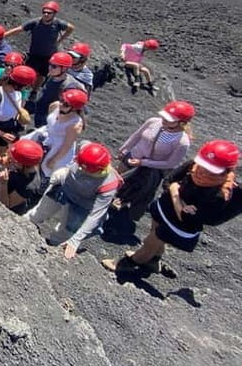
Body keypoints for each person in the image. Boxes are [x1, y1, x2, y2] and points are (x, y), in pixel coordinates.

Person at [102, 140, 240, 275]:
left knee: (151, 242)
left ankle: (127, 264)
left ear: (225, 172)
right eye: (203, 165)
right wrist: (178, 199)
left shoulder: (221, 195)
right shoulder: (193, 166)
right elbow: (169, 180)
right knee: (154, 234)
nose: (202, 171)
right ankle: (153, 261)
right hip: (165, 210)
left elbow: (190, 219)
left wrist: (175, 193)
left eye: (211, 170)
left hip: (178, 226)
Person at [27, 142, 121, 260]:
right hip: (63, 189)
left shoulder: (108, 185)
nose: (79, 168)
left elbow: (96, 215)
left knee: (65, 233)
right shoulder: (85, 148)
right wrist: (62, 173)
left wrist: (75, 240)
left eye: (82, 168)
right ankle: (22, 224)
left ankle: (53, 246)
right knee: (37, 213)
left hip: (82, 206)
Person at [113, 101, 194, 221]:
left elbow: (170, 163)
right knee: (116, 176)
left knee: (138, 187)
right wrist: (124, 149)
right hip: (134, 155)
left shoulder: (182, 142)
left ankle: (124, 202)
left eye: (169, 120)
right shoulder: (153, 122)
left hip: (152, 168)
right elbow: (137, 135)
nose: (164, 120)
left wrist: (143, 163)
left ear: (181, 123)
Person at [4, 0, 74, 94]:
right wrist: (3, 35)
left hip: (48, 56)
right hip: (34, 54)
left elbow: (71, 28)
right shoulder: (35, 22)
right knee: (28, 72)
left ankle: (34, 91)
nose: (46, 14)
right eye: (44, 12)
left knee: (42, 75)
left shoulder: (58, 24)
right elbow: (19, 29)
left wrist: (60, 40)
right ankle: (22, 90)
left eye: (49, 13)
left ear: (54, 14)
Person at [24, 88, 88, 187]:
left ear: (75, 108)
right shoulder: (55, 106)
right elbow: (50, 121)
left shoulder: (74, 124)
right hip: (45, 136)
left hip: (58, 147)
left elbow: (67, 146)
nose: (61, 104)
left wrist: (54, 159)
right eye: (62, 100)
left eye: (66, 104)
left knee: (46, 169)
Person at [33, 51, 86, 128]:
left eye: (54, 66)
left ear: (64, 68)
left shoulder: (70, 86)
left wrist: (82, 122)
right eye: (50, 65)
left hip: (52, 121)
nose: (50, 68)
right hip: (40, 114)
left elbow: (77, 108)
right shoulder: (52, 76)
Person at [0, 140, 45, 214]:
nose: (10, 160)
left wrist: (3, 184)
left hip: (8, 208)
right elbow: (7, 159)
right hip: (0, 188)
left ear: (21, 164)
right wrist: (0, 163)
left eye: (13, 160)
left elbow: (5, 205)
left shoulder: (30, 186)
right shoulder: (21, 165)